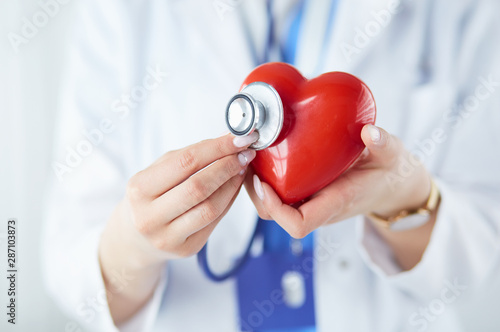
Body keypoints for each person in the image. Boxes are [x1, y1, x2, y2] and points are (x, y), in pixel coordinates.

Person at [43, 0, 500, 331]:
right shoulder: (120, 11)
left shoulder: (463, 9)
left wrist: (403, 197)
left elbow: (475, 258)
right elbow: (69, 266)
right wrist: (135, 246)